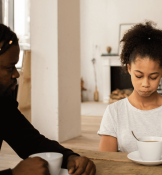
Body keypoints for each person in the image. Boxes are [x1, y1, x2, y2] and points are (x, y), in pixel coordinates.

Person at [0, 24, 96, 175]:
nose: (16, 75)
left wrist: (69, 157)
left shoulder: (3, 104)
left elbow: (31, 142)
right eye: (9, 68)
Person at [98, 21, 162, 156]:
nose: (145, 84)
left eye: (153, 77)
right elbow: (106, 160)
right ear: (129, 68)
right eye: (139, 76)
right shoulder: (114, 112)